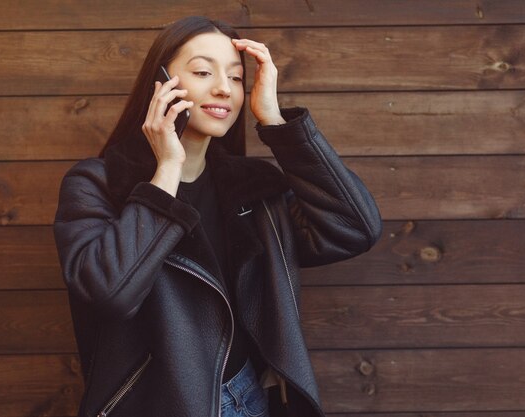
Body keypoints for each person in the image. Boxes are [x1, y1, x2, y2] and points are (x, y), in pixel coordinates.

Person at [53, 15, 381, 417]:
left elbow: (355, 229)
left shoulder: (255, 188)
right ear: (161, 85)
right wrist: (167, 169)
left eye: (237, 77)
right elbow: (111, 293)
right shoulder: (97, 184)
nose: (224, 88)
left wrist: (276, 124)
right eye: (203, 72)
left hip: (250, 397)